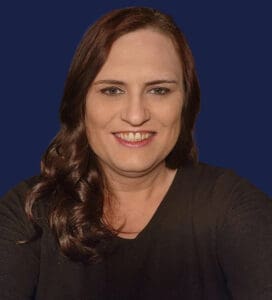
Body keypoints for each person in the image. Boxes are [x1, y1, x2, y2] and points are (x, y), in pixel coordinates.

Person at [0, 6, 271, 300]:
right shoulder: (28, 213)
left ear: (186, 102)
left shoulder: (235, 208)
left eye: (159, 90)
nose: (135, 115)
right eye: (112, 90)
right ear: (81, 103)